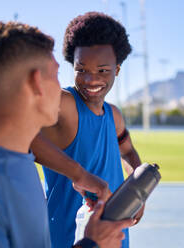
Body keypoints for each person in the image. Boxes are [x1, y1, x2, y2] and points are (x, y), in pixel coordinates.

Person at [0, 21, 132, 248]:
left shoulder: (21, 162)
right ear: (37, 82)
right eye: (55, 75)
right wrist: (91, 243)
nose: (63, 87)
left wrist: (79, 175)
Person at [30, 12, 144, 248]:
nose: (91, 80)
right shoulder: (64, 103)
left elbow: (129, 151)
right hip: (68, 238)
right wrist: (79, 175)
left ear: (117, 69)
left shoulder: (114, 116)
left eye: (102, 70)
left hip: (113, 239)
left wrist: (137, 190)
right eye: (81, 69)